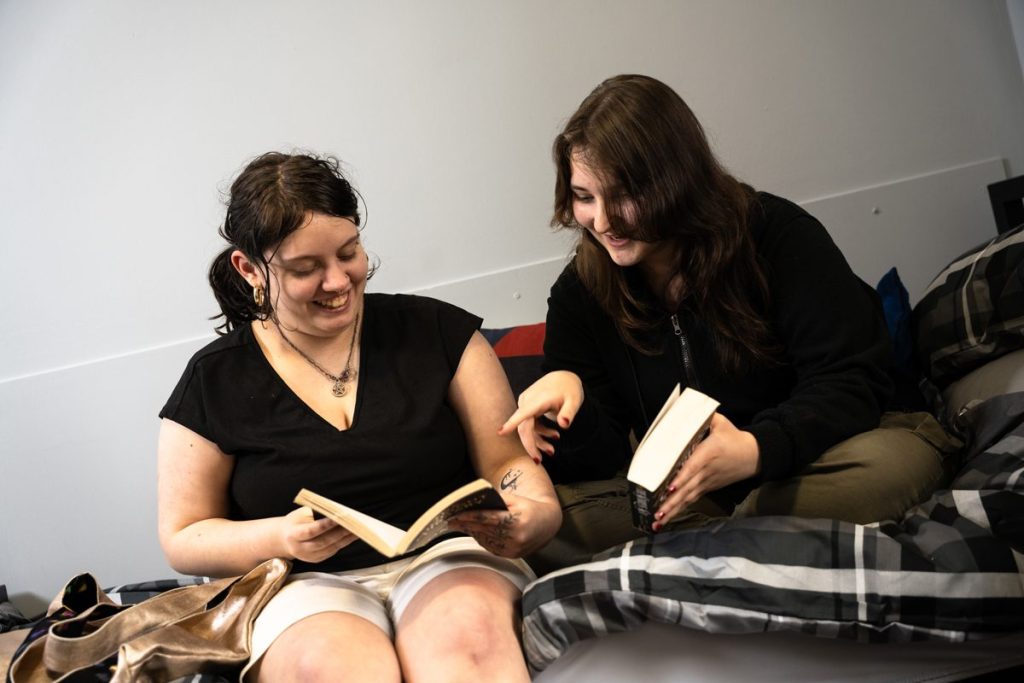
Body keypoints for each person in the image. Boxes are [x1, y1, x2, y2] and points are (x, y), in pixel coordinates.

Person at [500, 74, 958, 572]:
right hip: (700, 492)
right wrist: (570, 406)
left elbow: (851, 380)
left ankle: (709, 546)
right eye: (584, 197)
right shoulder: (579, 293)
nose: (603, 221)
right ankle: (742, 542)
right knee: (547, 523)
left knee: (883, 470)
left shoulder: (778, 235)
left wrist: (756, 449)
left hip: (834, 451)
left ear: (675, 180)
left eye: (624, 195)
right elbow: (601, 463)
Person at [157, 151, 561, 683]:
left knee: (467, 642)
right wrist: (282, 537)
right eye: (305, 269)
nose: (338, 281)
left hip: (449, 558)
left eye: (349, 253)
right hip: (302, 583)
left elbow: (507, 462)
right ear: (249, 268)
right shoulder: (215, 379)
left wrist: (538, 511)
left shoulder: (437, 333)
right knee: (334, 669)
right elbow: (183, 536)